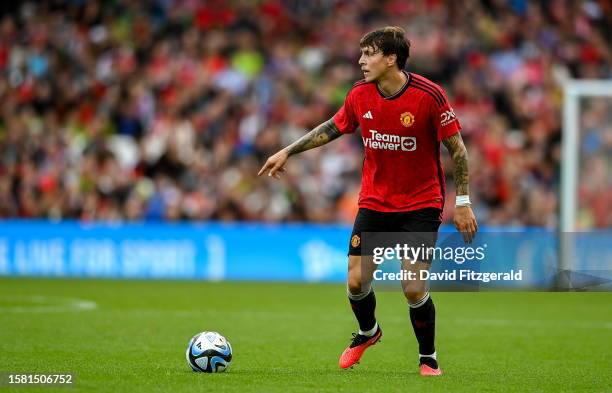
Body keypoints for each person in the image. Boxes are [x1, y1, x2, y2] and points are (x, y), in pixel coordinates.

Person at [258, 26, 477, 376]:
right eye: (361, 54)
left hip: (421, 203)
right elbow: (333, 126)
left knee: (412, 286)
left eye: (369, 54)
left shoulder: (429, 95)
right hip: (375, 202)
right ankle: (368, 332)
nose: (361, 61)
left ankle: (428, 357)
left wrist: (462, 201)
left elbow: (458, 150)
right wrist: (288, 150)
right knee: (356, 281)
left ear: (391, 58)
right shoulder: (360, 95)